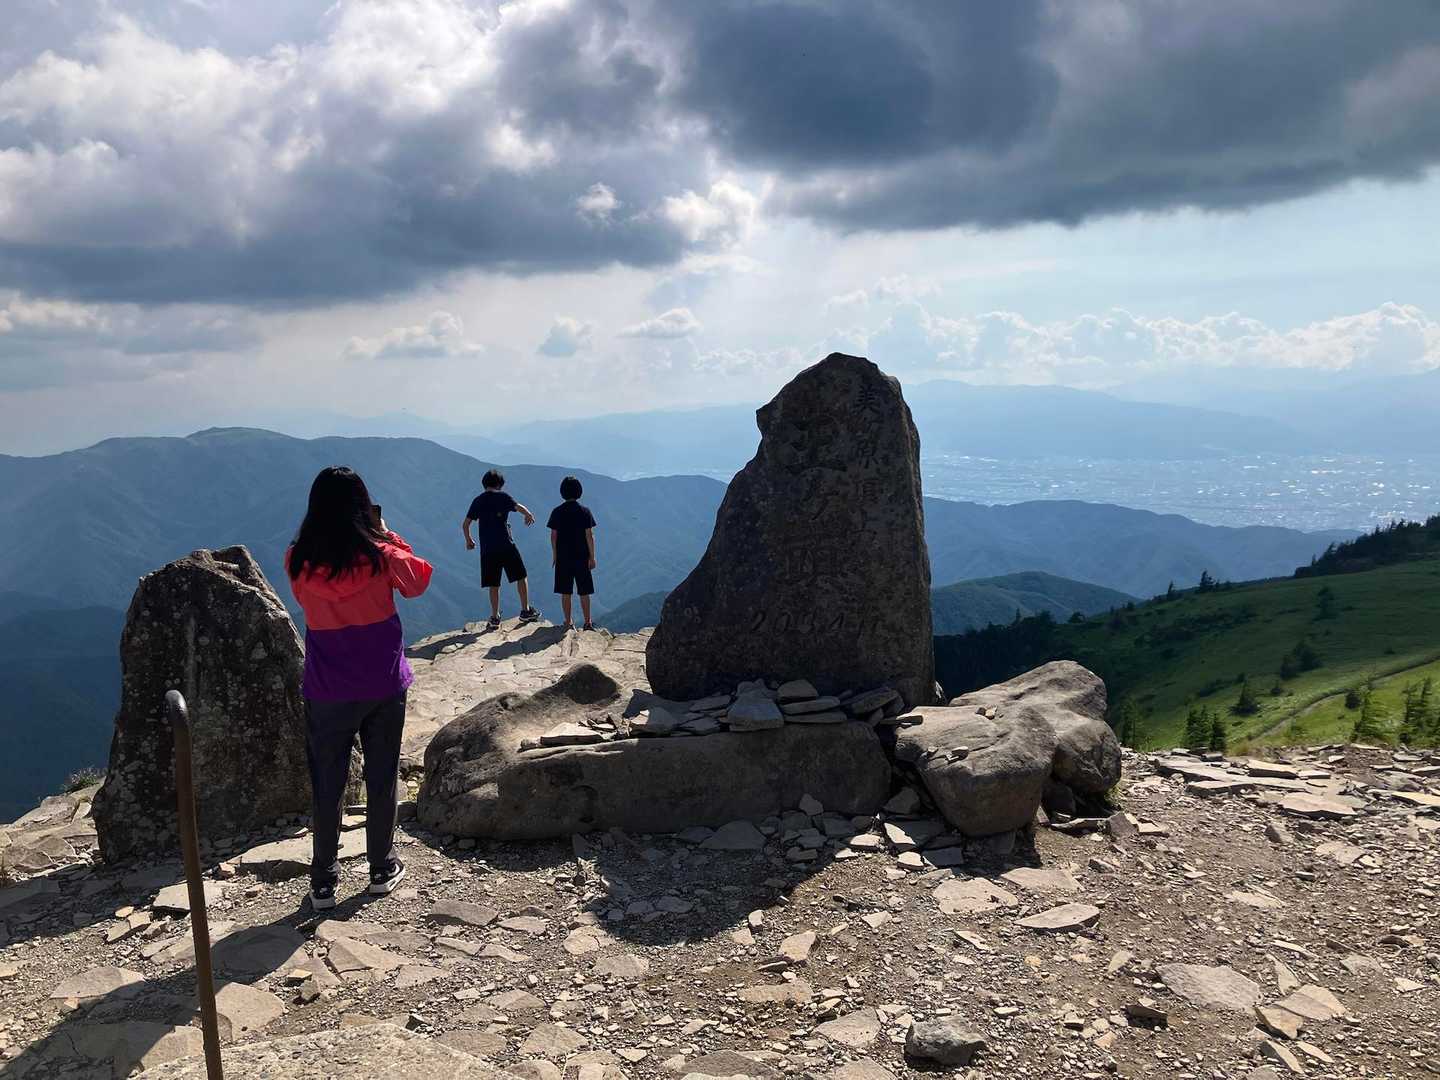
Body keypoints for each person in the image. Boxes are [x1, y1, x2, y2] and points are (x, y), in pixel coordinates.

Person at [287, 466, 433, 911]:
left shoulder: (297, 559)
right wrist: (386, 535)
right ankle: (381, 868)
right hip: (382, 682)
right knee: (382, 775)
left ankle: (323, 881)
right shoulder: (381, 556)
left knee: (327, 782)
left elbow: (308, 600)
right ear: (361, 508)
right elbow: (418, 582)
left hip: (327, 686)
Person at [463, 469, 538, 629]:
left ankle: (495, 617)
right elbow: (518, 507)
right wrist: (528, 514)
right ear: (499, 484)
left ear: (484, 484)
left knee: (493, 584)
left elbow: (466, 524)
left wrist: (469, 540)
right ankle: (525, 610)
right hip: (506, 545)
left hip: (488, 549)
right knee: (521, 575)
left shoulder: (478, 501)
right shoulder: (503, 497)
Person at [546, 475, 598, 630]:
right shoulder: (585, 511)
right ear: (579, 492)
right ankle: (588, 622)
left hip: (563, 557)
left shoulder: (557, 512)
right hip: (582, 557)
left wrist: (555, 554)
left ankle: (568, 622)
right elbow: (589, 535)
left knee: (565, 591)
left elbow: (553, 536)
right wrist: (592, 557)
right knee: (584, 591)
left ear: (562, 492)